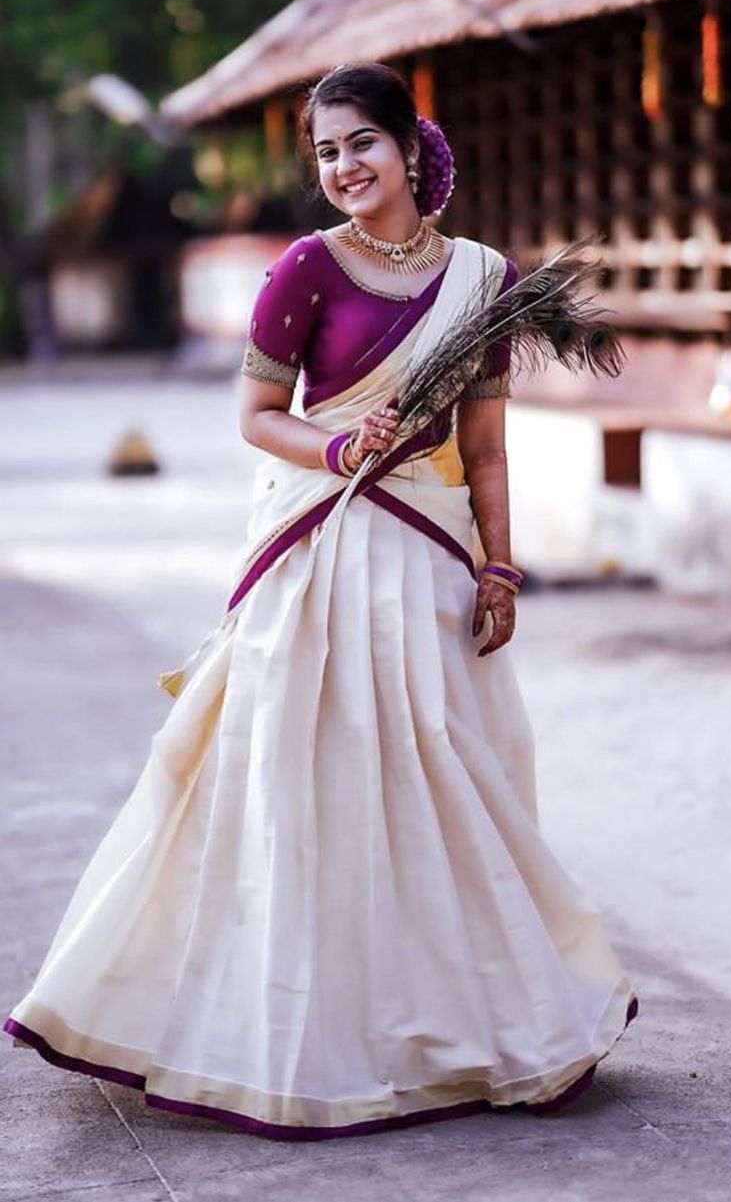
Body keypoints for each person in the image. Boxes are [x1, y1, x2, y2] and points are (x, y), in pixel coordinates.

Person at [4, 63, 637, 1140]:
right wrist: (341, 441)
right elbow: (258, 413)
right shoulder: (305, 268)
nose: (342, 168)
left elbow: (483, 448)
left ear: (407, 145)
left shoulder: (485, 278)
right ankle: (296, 1031)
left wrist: (499, 565)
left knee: (441, 772)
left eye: (359, 144)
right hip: (324, 549)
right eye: (325, 154)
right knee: (306, 777)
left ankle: (453, 1021)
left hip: (430, 560)